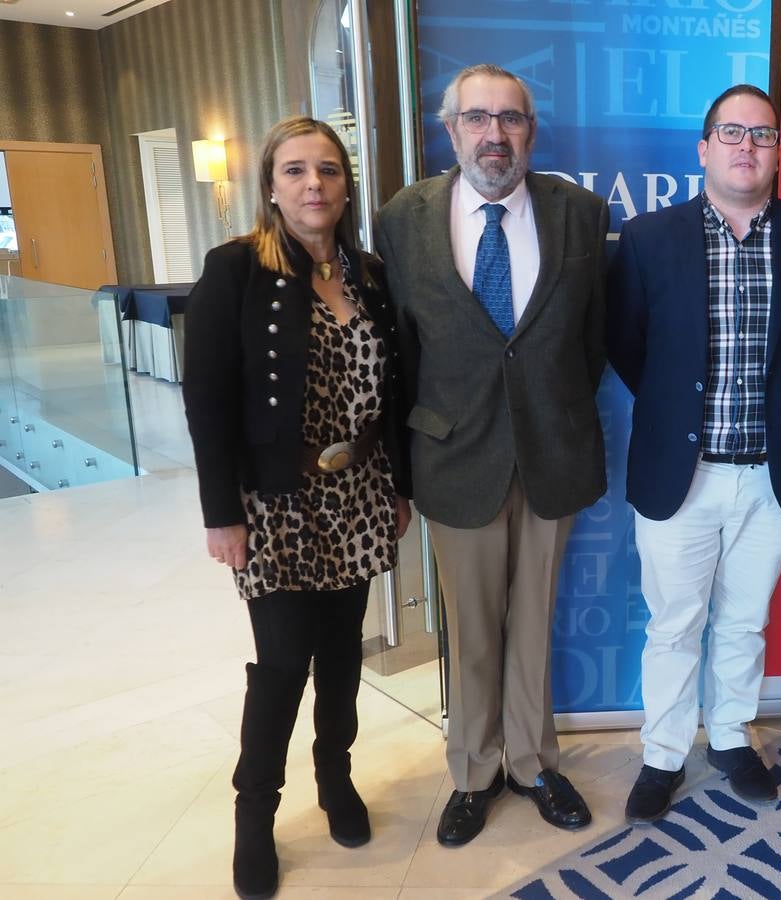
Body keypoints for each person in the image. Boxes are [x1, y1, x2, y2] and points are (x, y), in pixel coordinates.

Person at [373, 63, 608, 847]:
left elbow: (592, 340)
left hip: (552, 450)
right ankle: (473, 772)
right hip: (454, 455)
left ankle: (534, 764)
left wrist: (558, 408)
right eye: (478, 119)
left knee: (534, 621)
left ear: (530, 131)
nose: (494, 135)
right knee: (473, 630)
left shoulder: (579, 212)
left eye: (510, 119)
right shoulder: (402, 220)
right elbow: (399, 351)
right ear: (452, 129)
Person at [608, 84, 781, 824]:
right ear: (704, 148)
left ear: (779, 151)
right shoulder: (649, 241)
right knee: (675, 624)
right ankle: (663, 756)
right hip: (680, 474)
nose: (747, 146)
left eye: (763, 134)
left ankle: (731, 736)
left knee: (746, 620)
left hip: (772, 473)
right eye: (732, 132)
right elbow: (625, 345)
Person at [182, 116, 411, 900]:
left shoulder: (370, 274)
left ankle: (336, 779)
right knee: (282, 665)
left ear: (347, 185)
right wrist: (222, 514)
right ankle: (255, 812)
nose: (314, 185)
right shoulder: (235, 271)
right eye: (295, 171)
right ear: (271, 187)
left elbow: (396, 393)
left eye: (328, 170)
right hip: (276, 501)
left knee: (344, 655)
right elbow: (206, 399)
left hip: (359, 494)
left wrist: (399, 486)